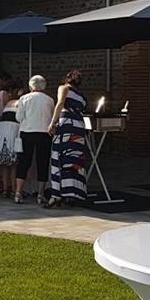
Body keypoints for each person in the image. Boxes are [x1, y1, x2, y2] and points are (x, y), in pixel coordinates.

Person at [48, 70, 89, 207]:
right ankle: (72, 193)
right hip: (78, 127)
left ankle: (56, 194)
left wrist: (53, 122)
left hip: (66, 125)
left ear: (67, 79)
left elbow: (60, 103)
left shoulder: (64, 88)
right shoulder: (82, 96)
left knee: (58, 157)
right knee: (74, 159)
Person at [14, 75, 55, 205]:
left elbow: (18, 117)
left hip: (27, 132)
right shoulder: (49, 100)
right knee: (43, 162)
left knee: (24, 162)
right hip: (44, 133)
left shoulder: (24, 98)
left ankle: (18, 192)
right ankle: (40, 194)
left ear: (31, 86)